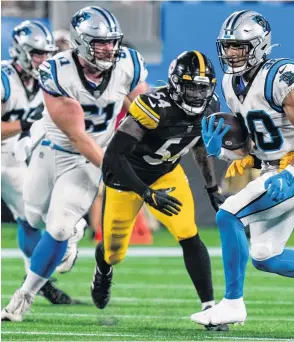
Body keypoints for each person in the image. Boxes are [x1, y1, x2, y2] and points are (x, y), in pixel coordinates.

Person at [190, 10, 294, 328]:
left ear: (260, 45)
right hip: (270, 171)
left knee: (229, 215)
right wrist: (221, 151)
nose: (231, 54)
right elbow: (252, 147)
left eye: (239, 46)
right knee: (265, 256)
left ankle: (233, 303)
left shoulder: (280, 75)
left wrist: (290, 172)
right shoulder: (228, 83)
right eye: (227, 46)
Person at [1, 6, 149, 322]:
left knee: (56, 226)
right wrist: (119, 171)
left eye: (112, 42)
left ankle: (24, 295)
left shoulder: (127, 65)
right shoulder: (57, 70)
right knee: (33, 218)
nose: (109, 49)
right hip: (53, 148)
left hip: (88, 157)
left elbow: (142, 110)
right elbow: (77, 135)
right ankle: (75, 228)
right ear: (82, 43)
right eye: (100, 43)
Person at [92, 50, 227, 331]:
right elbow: (113, 158)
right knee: (115, 252)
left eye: (203, 87)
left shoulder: (209, 106)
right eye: (191, 86)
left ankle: (210, 308)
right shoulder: (154, 106)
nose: (197, 94)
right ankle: (103, 269)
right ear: (176, 84)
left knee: (188, 233)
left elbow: (200, 145)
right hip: (126, 179)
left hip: (166, 172)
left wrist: (212, 187)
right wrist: (146, 193)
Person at [1, 20, 76, 305]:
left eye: (46, 53)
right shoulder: (4, 76)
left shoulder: (44, 79)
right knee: (34, 213)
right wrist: (25, 123)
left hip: (13, 157)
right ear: (19, 51)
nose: (42, 59)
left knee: (30, 216)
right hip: (5, 156)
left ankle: (36, 278)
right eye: (36, 53)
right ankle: (38, 277)